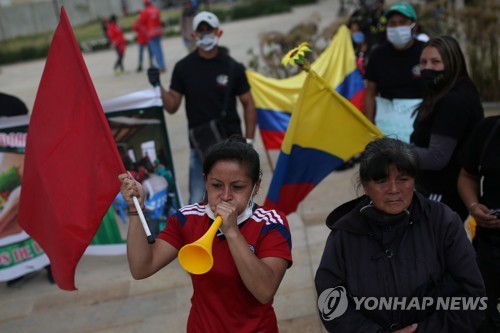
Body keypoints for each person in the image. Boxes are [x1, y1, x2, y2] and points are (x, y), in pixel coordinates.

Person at [118, 135, 292, 332]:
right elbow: (142, 268)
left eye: (237, 187)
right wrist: (134, 210)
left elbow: (264, 291)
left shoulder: (271, 223)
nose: (225, 196)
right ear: (205, 182)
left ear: (256, 186)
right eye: (216, 185)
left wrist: (232, 232)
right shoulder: (187, 218)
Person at [315, 137, 485, 332]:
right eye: (381, 181)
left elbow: (472, 295)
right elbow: (331, 304)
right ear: (364, 185)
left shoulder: (442, 222)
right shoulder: (345, 234)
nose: (394, 190)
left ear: (414, 180)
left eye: (403, 179)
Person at [147, 11, 257, 204]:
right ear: (193, 35)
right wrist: (158, 85)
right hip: (200, 148)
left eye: (209, 30)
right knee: (198, 200)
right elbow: (172, 105)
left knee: (237, 200)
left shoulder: (232, 67)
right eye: (201, 31)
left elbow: (248, 103)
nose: (205, 34)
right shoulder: (183, 68)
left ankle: (236, 234)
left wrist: (248, 142)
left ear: (219, 33)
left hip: (234, 146)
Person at [410, 35, 484, 221]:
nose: (428, 68)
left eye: (436, 62)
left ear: (452, 63)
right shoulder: (444, 92)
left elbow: (436, 157)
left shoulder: (454, 101)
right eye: (423, 62)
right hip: (439, 191)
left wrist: (397, 150)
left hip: (443, 193)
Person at [458, 115, 500, 332]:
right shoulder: (489, 128)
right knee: (483, 320)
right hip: (488, 248)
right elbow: (467, 175)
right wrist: (474, 207)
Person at [364, 2, 425, 142]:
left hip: (420, 126)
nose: (397, 27)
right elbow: (370, 93)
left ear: (414, 25)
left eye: (402, 22)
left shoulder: (425, 52)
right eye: (392, 23)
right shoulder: (378, 55)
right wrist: (368, 126)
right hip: (387, 128)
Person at [138, 0, 166, 72]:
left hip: (151, 34)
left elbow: (141, 22)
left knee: (155, 50)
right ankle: (162, 64)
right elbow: (159, 21)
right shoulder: (156, 10)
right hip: (157, 32)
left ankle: (160, 66)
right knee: (159, 49)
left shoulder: (145, 12)